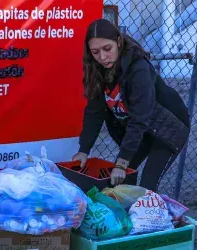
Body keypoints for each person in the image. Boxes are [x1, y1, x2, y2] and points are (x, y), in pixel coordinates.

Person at [72, 18, 190, 192]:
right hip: (143, 130)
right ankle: (127, 216)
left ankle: (150, 216)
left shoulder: (138, 68)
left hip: (169, 127)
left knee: (147, 185)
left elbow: (140, 117)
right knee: (120, 181)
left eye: (107, 49)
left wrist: (122, 162)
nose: (102, 57)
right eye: (95, 52)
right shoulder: (97, 70)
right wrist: (84, 150)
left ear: (118, 42)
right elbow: (94, 112)